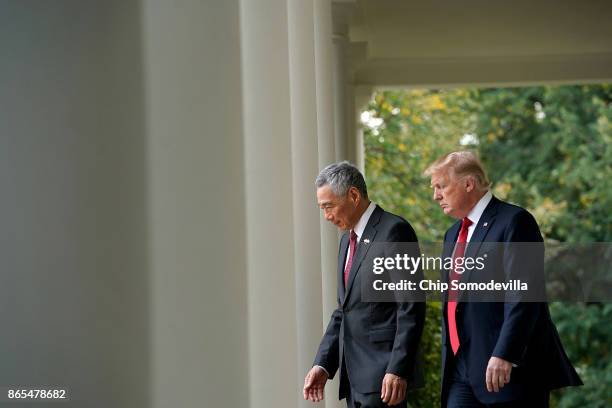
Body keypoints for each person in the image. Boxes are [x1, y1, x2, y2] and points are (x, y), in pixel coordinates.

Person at [425, 151, 582, 407]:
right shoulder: (452, 234)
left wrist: (505, 353)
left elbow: (523, 294)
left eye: (441, 186)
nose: (436, 196)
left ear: (468, 184)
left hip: (508, 372)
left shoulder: (515, 222)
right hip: (459, 372)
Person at [303, 161, 425, 408]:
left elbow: (411, 306)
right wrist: (323, 364)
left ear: (354, 195)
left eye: (329, 207)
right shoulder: (346, 242)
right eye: (322, 208)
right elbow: (344, 310)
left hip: (384, 377)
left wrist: (398, 369)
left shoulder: (395, 231)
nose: (326, 216)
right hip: (355, 378)